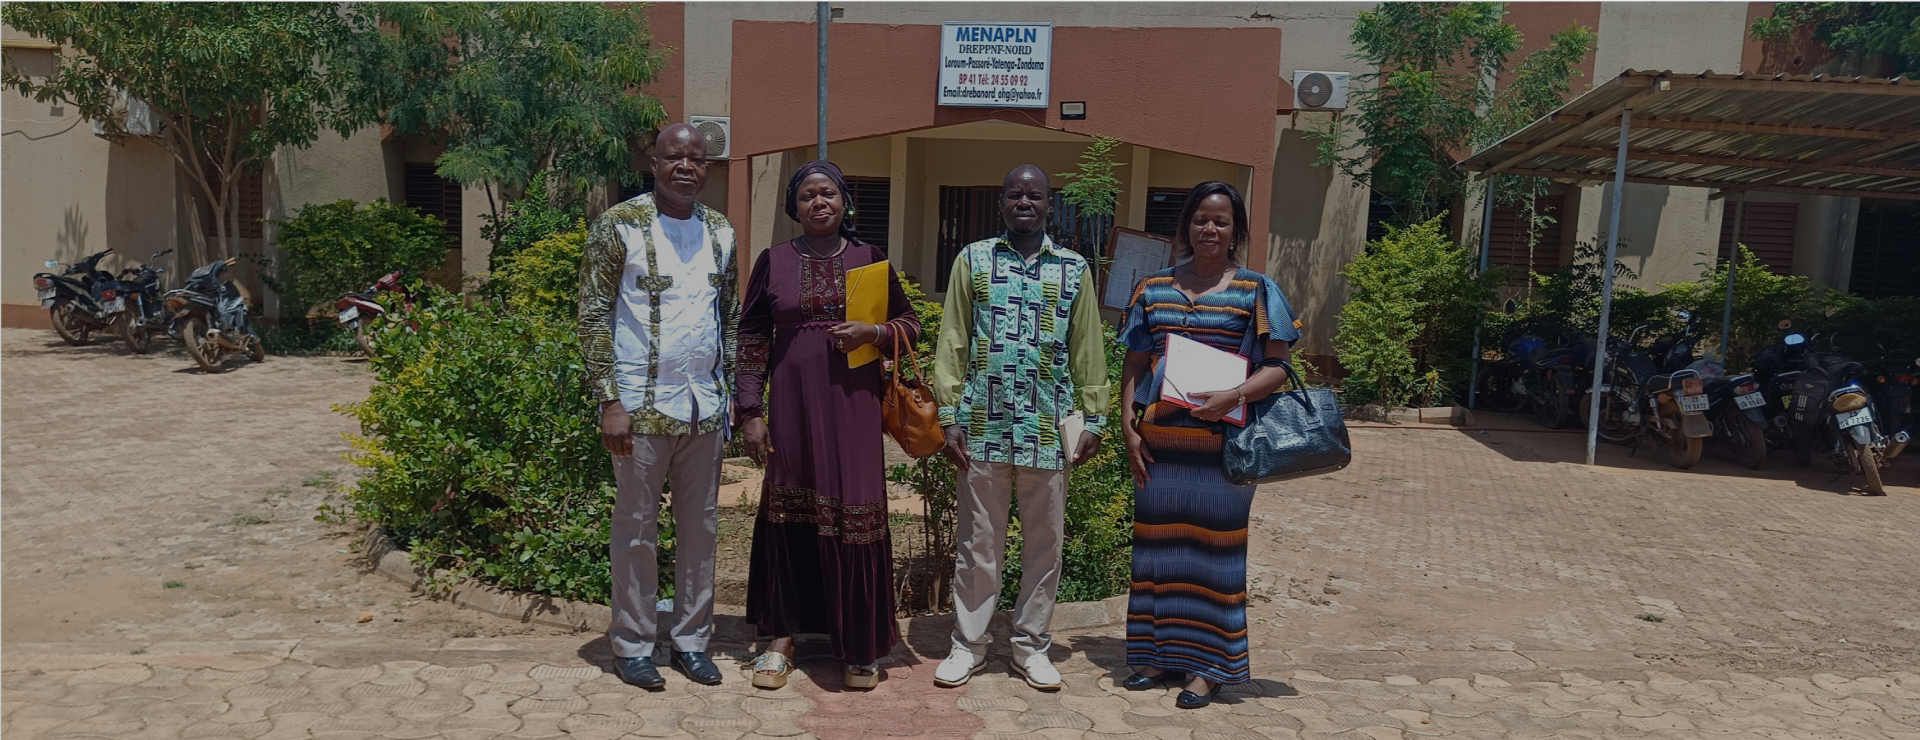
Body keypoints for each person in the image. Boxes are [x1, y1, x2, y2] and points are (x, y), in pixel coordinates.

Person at [735, 160, 921, 690]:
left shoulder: (870, 258)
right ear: (794, 208)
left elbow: (910, 324)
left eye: (828, 194)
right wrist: (750, 411)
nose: (819, 203)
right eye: (807, 196)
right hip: (792, 408)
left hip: (853, 407)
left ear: (844, 202)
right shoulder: (774, 261)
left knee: (854, 509)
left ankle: (858, 645)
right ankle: (781, 638)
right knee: (788, 506)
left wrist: (874, 332)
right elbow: (752, 338)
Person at [1116, 181, 1301, 709]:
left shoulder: (1257, 290)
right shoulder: (1152, 288)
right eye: (1201, 219)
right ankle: (1158, 654)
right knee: (1160, 549)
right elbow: (1135, 361)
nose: (1210, 229)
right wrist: (1128, 426)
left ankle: (1209, 667)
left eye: (1221, 220)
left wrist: (1233, 397)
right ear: (1187, 226)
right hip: (1161, 445)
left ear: (1235, 229)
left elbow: (1278, 366)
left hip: (1224, 449)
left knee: (1215, 554)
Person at [931, 164, 1110, 692]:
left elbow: (1088, 346)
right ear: (1002, 203)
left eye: (1035, 195)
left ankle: (1031, 647)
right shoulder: (974, 260)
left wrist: (1095, 416)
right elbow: (953, 339)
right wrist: (948, 415)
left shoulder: (1074, 269)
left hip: (1048, 430)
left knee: (1044, 546)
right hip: (982, 427)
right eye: (1015, 194)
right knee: (978, 544)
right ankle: (969, 645)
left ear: (1050, 205)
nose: (1024, 202)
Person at [577, 123, 736, 690]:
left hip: (703, 407)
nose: (686, 167)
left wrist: (731, 396)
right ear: (654, 162)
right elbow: (593, 314)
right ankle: (633, 644)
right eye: (675, 157)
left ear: (707, 167)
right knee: (636, 530)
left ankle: (692, 642)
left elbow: (728, 317)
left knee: (701, 530)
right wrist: (609, 399)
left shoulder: (721, 230)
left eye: (697, 159)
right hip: (638, 407)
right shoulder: (618, 225)